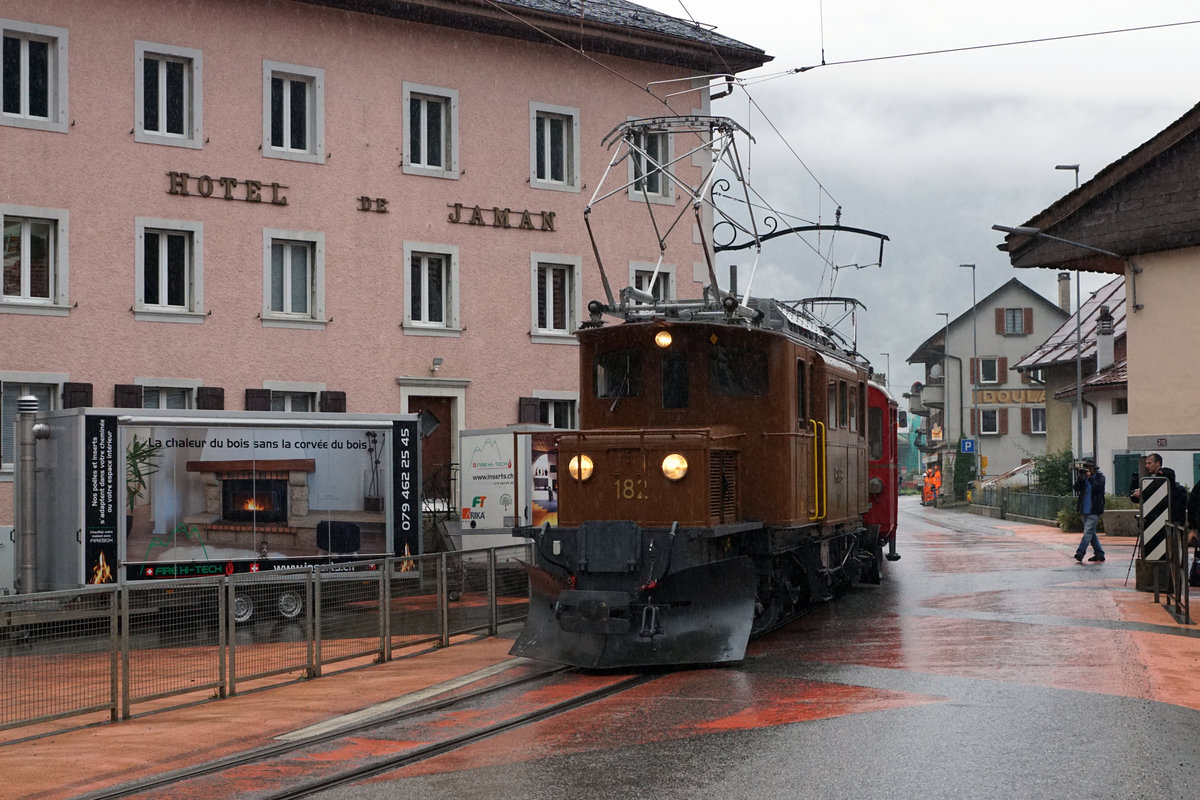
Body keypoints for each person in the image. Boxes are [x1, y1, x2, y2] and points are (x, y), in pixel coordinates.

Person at [1073, 460, 1106, 563]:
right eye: (1086, 467)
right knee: (1091, 532)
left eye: (1089, 467)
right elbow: (1076, 488)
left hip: (1095, 509)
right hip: (1084, 509)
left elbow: (1098, 488)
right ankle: (1099, 554)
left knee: (1087, 531)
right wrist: (1080, 477)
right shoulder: (1084, 477)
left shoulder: (1100, 477)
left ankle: (1080, 553)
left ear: (1094, 468)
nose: (1088, 469)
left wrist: (1090, 478)